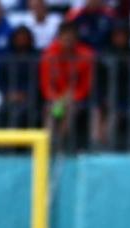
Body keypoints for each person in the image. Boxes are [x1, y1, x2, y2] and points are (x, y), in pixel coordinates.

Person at [39, 20, 93, 150]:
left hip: (77, 100)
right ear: (59, 37)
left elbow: (86, 85)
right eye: (65, 37)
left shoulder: (86, 55)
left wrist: (73, 97)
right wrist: (56, 98)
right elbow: (46, 84)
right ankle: (48, 145)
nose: (68, 40)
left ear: (76, 39)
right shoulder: (49, 55)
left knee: (69, 111)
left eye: (71, 37)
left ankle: (61, 144)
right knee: (50, 111)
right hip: (55, 99)